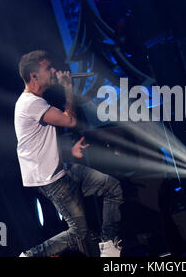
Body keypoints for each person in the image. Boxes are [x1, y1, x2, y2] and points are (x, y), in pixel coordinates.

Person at [14, 50, 123, 257]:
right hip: (51, 179)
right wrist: (68, 88)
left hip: (61, 170)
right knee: (78, 231)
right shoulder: (31, 103)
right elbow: (70, 120)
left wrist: (68, 151)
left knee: (112, 186)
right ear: (34, 76)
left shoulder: (34, 102)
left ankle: (109, 247)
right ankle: (30, 256)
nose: (54, 71)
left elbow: (39, 144)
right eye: (48, 68)